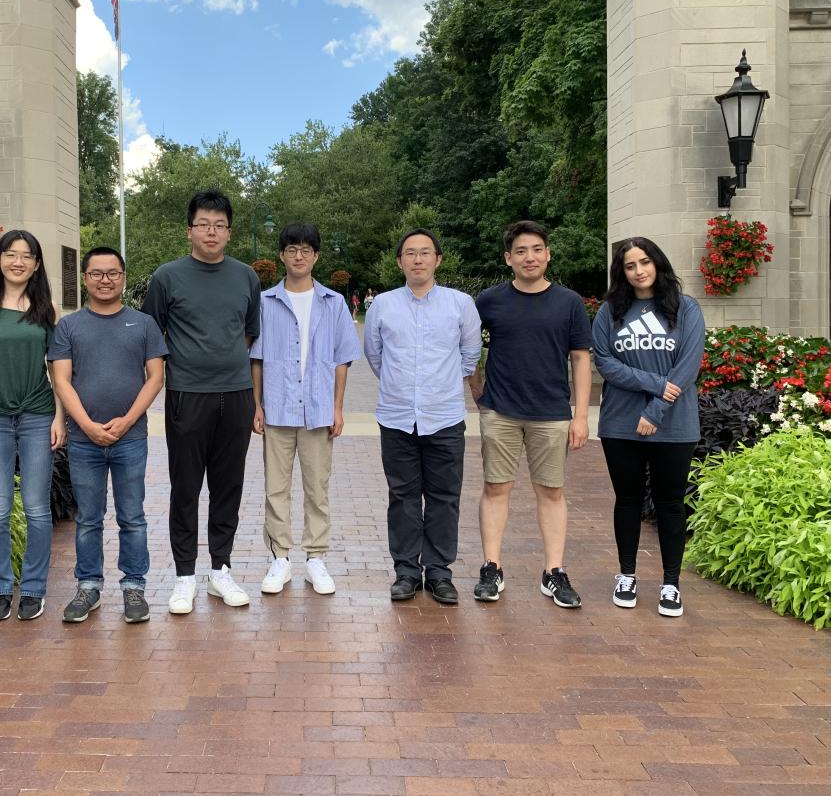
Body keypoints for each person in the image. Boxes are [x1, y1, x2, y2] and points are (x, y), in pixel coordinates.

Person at [143, 190, 261, 613]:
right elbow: (151, 335)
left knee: (228, 486)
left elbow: (248, 333)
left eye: (220, 225)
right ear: (189, 229)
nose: (211, 232)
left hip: (236, 395)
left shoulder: (246, 276)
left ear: (229, 232)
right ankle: (184, 575)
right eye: (203, 224)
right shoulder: (167, 277)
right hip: (186, 396)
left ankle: (221, 570)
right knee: (186, 487)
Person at [467, 221, 591, 609]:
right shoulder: (489, 300)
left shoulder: (569, 302)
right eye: (520, 251)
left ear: (548, 254)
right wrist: (477, 387)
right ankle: (492, 567)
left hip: (551, 412)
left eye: (536, 249)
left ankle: (553, 572)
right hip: (501, 410)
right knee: (495, 488)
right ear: (508, 259)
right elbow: (467, 343)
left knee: (551, 492)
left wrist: (581, 415)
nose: (529, 257)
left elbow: (581, 358)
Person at [363, 228, 482, 604]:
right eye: (410, 253)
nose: (418, 259)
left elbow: (469, 354)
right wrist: (403, 386)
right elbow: (375, 354)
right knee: (403, 495)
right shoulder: (382, 305)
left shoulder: (460, 304)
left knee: (445, 496)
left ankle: (440, 572)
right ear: (399, 261)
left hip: (444, 416)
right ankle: (406, 571)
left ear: (438, 260)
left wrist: (437, 385)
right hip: (397, 417)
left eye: (425, 252)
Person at [49, 247, 167, 623]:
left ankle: (134, 586)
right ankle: (88, 587)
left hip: (130, 438)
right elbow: (62, 380)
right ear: (85, 278)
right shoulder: (68, 327)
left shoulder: (144, 324)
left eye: (112, 273)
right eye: (97, 273)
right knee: (88, 518)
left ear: (123, 277)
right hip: (84, 441)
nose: (105, 280)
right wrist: (84, 425)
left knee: (132, 516)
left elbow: (156, 378)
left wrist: (127, 420)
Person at [592, 237, 704, 618]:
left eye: (645, 262)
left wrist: (656, 411)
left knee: (671, 503)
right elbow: (605, 362)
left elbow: (687, 367)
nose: (639, 271)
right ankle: (627, 575)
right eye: (629, 265)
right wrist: (655, 384)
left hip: (675, 424)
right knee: (628, 501)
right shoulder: (610, 312)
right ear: (621, 272)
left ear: (658, 263)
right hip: (620, 424)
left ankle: (671, 584)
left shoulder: (685, 308)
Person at [250, 222, 362, 596]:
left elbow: (342, 359)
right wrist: (256, 405)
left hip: (317, 410)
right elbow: (257, 358)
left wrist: (338, 408)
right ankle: (279, 558)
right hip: (278, 409)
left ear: (316, 255)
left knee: (318, 488)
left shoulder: (333, 303)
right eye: (292, 249)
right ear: (282, 255)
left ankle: (316, 557)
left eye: (306, 249)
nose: (299, 255)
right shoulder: (265, 302)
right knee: (275, 488)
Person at [0, 230, 65, 624]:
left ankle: (32, 589)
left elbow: (58, 371)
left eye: (26, 256)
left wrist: (60, 417)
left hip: (37, 417)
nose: (18, 261)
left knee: (36, 509)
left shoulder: (48, 310)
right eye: (10, 254)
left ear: (36, 264)